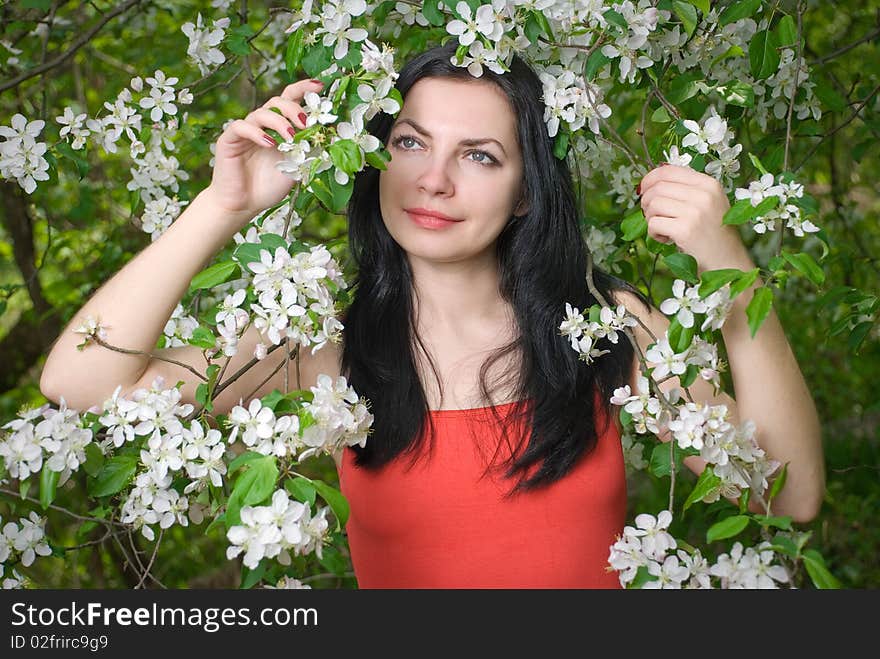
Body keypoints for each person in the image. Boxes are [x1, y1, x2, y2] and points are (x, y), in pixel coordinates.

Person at [39, 42, 825, 588]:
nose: (434, 180)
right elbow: (78, 383)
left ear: (526, 193)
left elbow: (786, 495)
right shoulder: (317, 350)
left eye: (479, 155)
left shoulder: (604, 329)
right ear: (376, 159)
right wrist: (221, 207)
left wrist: (728, 274)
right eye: (411, 143)